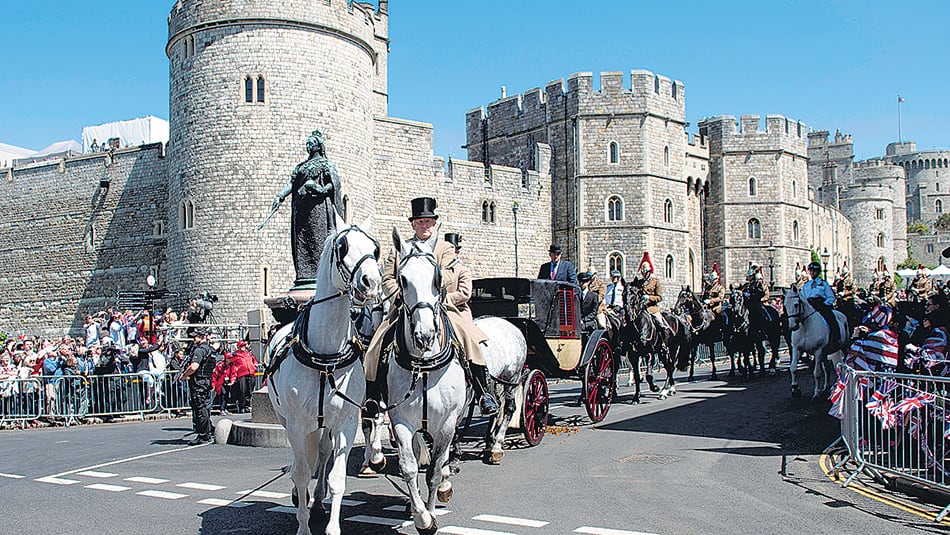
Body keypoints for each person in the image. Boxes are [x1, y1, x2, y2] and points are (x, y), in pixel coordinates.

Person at [365, 198, 498, 416]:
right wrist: (399, 295)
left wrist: (429, 279)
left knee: (468, 337)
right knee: (376, 344)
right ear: (413, 224)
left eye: (428, 221)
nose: (424, 225)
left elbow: (450, 273)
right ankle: (373, 396)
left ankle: (483, 392)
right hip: (405, 306)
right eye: (420, 222)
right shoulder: (399, 249)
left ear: (434, 223)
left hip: (440, 306)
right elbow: (388, 277)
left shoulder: (445, 248)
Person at [270, 129, 344, 285]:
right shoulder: (301, 167)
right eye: (307, 144)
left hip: (318, 210)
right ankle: (304, 276)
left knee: (318, 241)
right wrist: (280, 196)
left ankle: (320, 276)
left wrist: (319, 189)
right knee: (302, 243)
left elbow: (333, 184)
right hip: (301, 211)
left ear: (318, 146)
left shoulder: (325, 164)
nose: (308, 146)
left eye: (311, 144)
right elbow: (292, 184)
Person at [178, 327, 216, 445]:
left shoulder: (200, 350)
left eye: (196, 336)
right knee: (204, 407)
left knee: (200, 408)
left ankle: (203, 435)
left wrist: (184, 375)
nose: (194, 338)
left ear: (202, 336)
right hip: (206, 381)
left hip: (199, 382)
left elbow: (194, 366)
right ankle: (207, 432)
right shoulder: (210, 349)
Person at [800, 261, 840, 354]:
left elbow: (831, 297)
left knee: (831, 318)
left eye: (814, 271)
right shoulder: (806, 285)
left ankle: (836, 338)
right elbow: (802, 297)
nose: (812, 273)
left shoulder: (823, 284)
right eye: (810, 271)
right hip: (809, 306)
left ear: (817, 272)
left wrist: (825, 304)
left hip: (821, 305)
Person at [631, 252, 669, 333]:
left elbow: (659, 297)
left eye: (646, 272)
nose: (644, 274)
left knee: (660, 322)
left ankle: (663, 338)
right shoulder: (639, 282)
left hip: (651, 308)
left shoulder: (655, 282)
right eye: (643, 272)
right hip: (639, 308)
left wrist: (649, 298)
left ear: (650, 272)